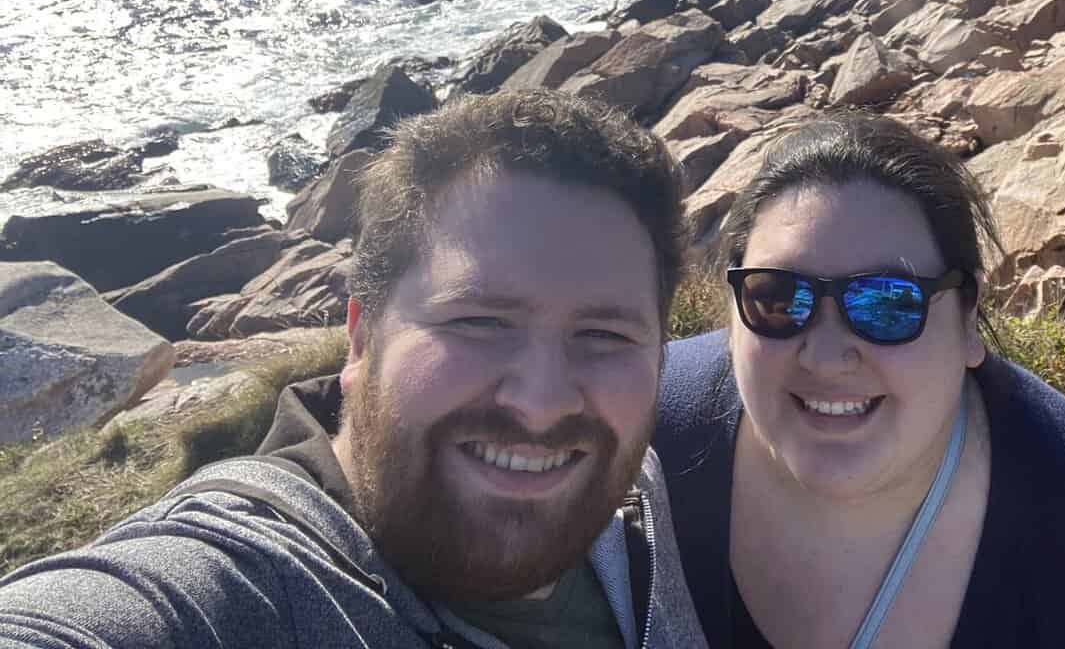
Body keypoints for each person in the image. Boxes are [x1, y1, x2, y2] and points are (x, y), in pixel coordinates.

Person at [0, 89, 708, 649]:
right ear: (362, 339)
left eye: (606, 334)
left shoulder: (661, 506)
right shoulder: (249, 582)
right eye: (480, 321)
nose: (542, 402)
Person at [654, 114, 1065, 648]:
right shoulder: (642, 433)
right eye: (777, 297)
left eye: (888, 303)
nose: (824, 356)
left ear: (967, 321)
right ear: (732, 312)